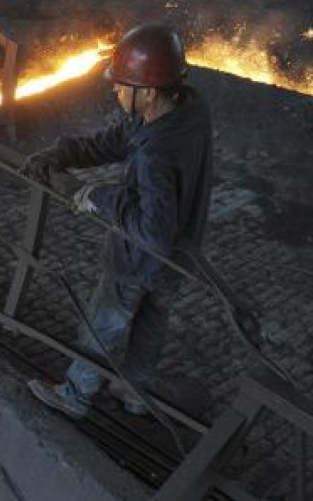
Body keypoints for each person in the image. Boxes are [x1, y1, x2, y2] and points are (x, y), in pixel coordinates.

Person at [24, 23, 214, 419]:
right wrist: (62, 153)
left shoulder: (155, 153)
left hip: (140, 258)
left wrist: (96, 196)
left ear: (147, 91)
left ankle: (76, 395)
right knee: (151, 321)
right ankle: (134, 390)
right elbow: (117, 140)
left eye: (122, 85)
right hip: (181, 253)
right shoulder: (189, 109)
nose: (114, 91)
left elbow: (151, 232)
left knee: (105, 324)